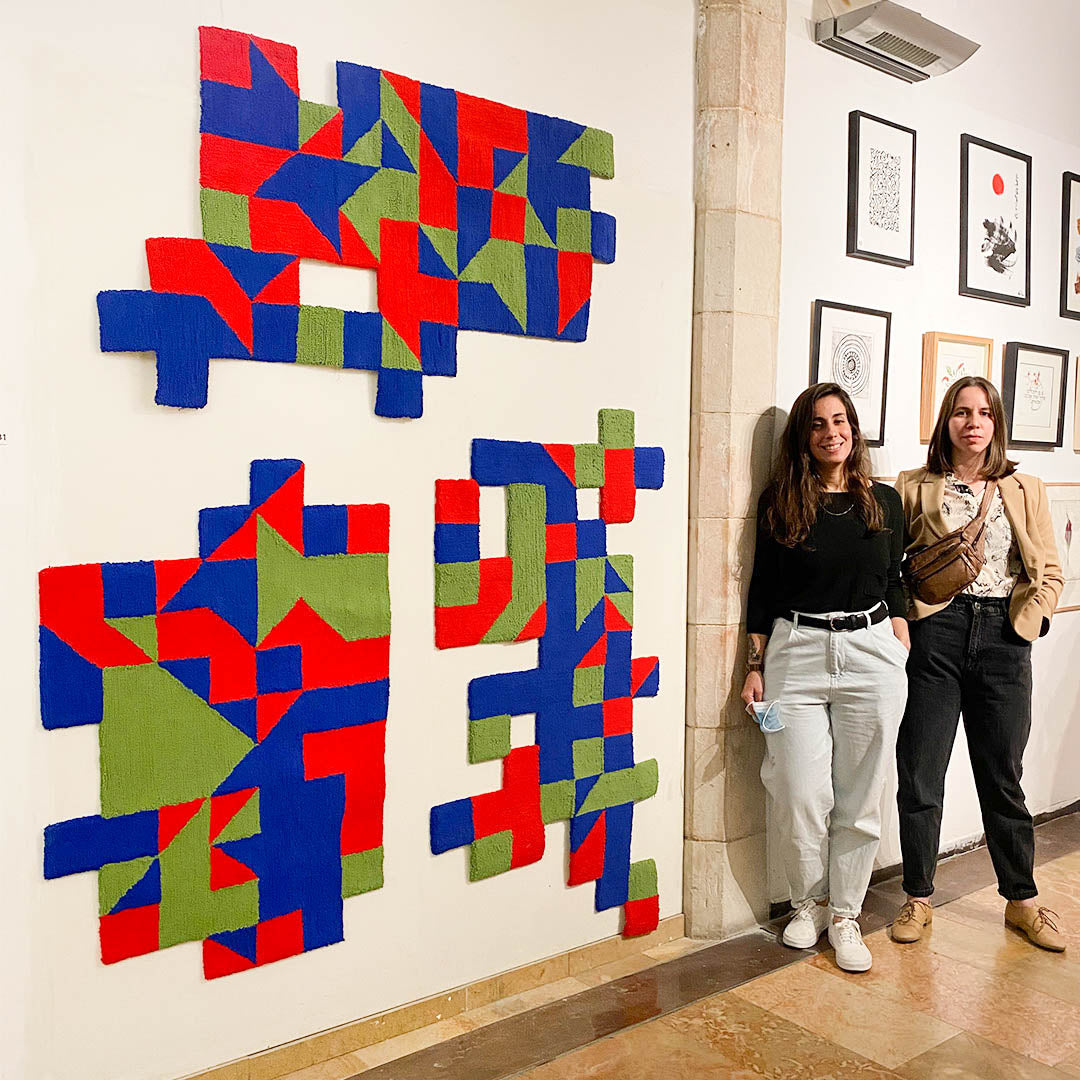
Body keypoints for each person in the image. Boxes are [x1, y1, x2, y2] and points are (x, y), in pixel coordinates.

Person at [891, 376, 1066, 950]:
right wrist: (907, 619)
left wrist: (1031, 622)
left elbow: (1050, 570)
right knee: (921, 772)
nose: (973, 423)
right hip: (936, 634)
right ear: (946, 420)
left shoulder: (1025, 487)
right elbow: (894, 564)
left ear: (997, 424)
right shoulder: (914, 485)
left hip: (1003, 636)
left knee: (1003, 776)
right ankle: (918, 898)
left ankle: (1022, 900)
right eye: (962, 412)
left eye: (984, 413)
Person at [742, 382, 910, 973]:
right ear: (802, 436)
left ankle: (845, 914)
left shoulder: (883, 501)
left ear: (854, 429)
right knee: (799, 790)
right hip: (797, 652)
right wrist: (755, 665)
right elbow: (763, 586)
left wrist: (899, 632)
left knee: (861, 796)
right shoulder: (782, 501)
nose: (831, 432)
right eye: (817, 423)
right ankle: (808, 904)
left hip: (871, 652)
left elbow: (895, 576)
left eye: (840, 421)